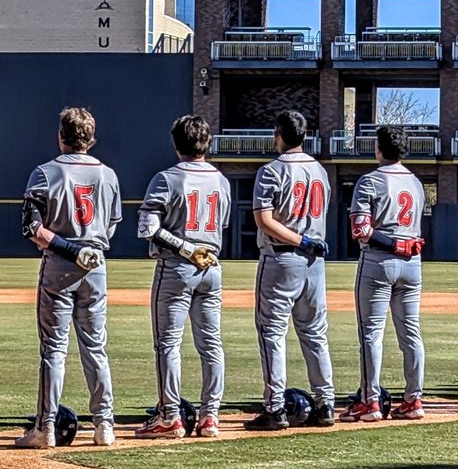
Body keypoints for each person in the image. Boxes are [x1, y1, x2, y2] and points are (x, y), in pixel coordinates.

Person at [17, 108, 122, 449]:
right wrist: (85, 249)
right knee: (95, 347)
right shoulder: (109, 175)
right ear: (91, 139)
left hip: (59, 266)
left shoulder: (45, 173)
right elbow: (111, 225)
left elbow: (31, 229)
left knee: (54, 350)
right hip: (96, 265)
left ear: (61, 135)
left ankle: (45, 427)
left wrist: (68, 247)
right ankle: (104, 425)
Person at [135, 115, 231, 439]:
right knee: (211, 345)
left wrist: (184, 247)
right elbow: (223, 225)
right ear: (208, 143)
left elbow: (147, 228)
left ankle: (170, 417)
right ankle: (210, 418)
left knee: (168, 345)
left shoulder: (166, 178)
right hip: (212, 267)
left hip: (177, 266)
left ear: (176, 144)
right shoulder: (222, 180)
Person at [246, 111, 335, 431]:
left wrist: (299, 238)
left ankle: (275, 408)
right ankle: (325, 404)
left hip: (283, 257)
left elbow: (264, 220)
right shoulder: (320, 170)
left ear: (278, 134)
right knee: (314, 333)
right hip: (315, 261)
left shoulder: (271, 170)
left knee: (272, 334)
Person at [343, 125, 427, 422]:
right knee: (411, 334)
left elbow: (361, 230)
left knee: (371, 335)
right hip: (412, 264)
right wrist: (404, 244)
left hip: (379, 261)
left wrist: (394, 243)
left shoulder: (370, 181)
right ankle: (414, 400)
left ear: (379, 148)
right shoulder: (416, 182)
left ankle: (371, 401)